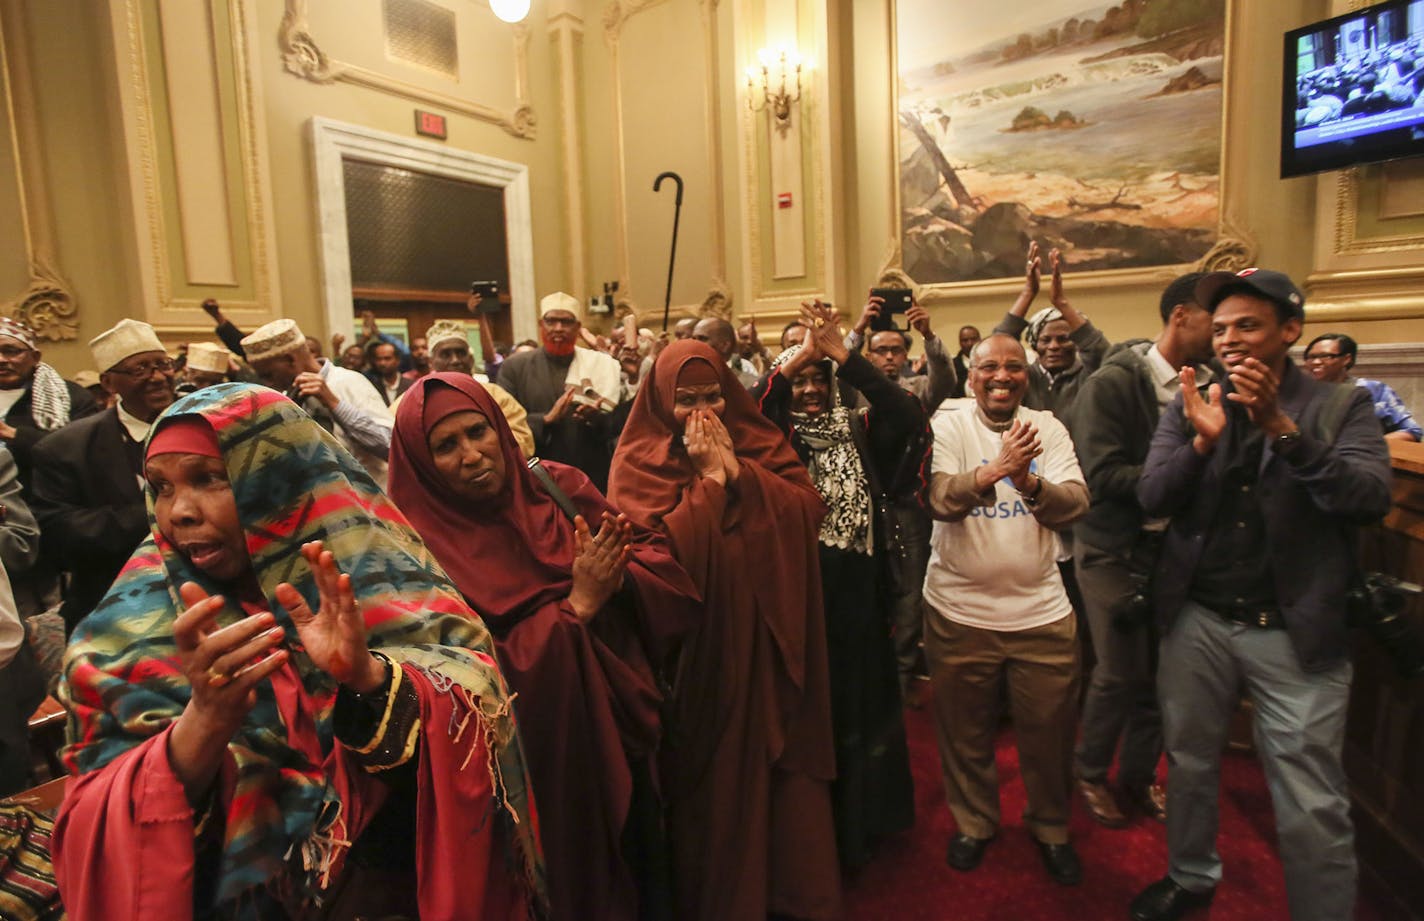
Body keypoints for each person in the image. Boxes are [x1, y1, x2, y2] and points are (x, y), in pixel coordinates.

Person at [52, 383, 545, 921]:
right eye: (161, 488)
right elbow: (95, 830)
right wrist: (205, 724)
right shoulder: (123, 637)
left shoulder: (376, 579)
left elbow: (470, 743)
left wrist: (370, 681)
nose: (180, 512)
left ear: (279, 479)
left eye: (208, 479)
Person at [1130, 269, 1392, 921]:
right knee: (1188, 764)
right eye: (1219, 329)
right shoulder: (1192, 398)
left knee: (1311, 802)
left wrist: (1282, 429)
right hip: (1198, 621)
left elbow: (1367, 499)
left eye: (1247, 324)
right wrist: (1200, 442)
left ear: (1290, 330)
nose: (1230, 340)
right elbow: (1151, 495)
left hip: (1295, 631)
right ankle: (1190, 876)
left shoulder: (1340, 405)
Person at [389, 373, 700, 921]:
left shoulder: (557, 487)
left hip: (620, 725)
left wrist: (618, 578)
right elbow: (451, 681)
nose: (472, 454)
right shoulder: (414, 553)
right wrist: (575, 608)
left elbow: (658, 565)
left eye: (478, 432)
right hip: (531, 773)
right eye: (446, 446)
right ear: (419, 461)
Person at [608, 340, 841, 921]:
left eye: (712, 395)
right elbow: (646, 562)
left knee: (783, 779)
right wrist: (710, 486)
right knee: (712, 786)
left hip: (770, 639)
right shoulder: (638, 460)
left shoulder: (757, 438)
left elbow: (808, 508)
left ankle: (792, 896)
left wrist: (740, 475)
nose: (703, 412)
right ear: (661, 402)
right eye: (685, 401)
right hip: (697, 654)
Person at [753, 301, 920, 869]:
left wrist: (844, 357)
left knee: (864, 711)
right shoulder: (772, 441)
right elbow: (748, 403)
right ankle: (820, 837)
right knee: (816, 719)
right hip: (801, 606)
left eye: (817, 380)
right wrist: (801, 353)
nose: (808, 391)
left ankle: (868, 824)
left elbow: (907, 414)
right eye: (798, 382)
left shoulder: (858, 427)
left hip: (861, 601)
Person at [923, 332, 1090, 887]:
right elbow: (941, 498)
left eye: (1013, 367)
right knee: (964, 730)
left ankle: (1050, 828)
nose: (1001, 376)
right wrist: (995, 471)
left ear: (1028, 374)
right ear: (971, 377)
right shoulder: (948, 424)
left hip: (1040, 612)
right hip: (957, 610)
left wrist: (1029, 480)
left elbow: (1075, 504)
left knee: (1050, 731)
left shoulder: (1049, 427)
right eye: (989, 367)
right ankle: (974, 822)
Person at [1069, 272, 1216, 829]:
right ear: (1180, 315)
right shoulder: (1113, 383)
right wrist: (1185, 470)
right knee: (1119, 671)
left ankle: (1136, 776)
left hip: (1173, 551)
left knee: (1164, 677)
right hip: (1111, 549)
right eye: (1213, 316)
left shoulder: (1212, 381)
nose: (1222, 328)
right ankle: (1088, 772)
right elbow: (1101, 474)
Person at [33, 319, 177, 632]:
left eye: (163, 364)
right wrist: (161, 514)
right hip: (110, 608)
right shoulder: (65, 448)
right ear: (109, 383)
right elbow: (60, 532)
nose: (158, 377)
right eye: (141, 369)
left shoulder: (207, 424)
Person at [241, 319, 394, 489]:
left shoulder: (349, 381)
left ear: (290, 359)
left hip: (372, 501)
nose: (268, 384)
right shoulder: (286, 397)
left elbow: (391, 446)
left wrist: (334, 404)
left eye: (269, 375)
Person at [498, 293, 623, 492]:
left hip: (591, 475)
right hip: (537, 477)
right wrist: (545, 420)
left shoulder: (599, 365)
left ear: (577, 327)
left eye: (566, 322)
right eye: (551, 321)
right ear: (541, 324)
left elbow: (619, 424)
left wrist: (596, 418)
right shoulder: (514, 367)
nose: (558, 328)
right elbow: (502, 424)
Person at [995, 242, 1109, 418]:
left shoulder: (1090, 375)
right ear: (1034, 344)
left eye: (1064, 339)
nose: (1054, 347)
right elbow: (998, 346)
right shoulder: (1025, 378)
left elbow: (1099, 351)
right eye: (1045, 340)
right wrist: (1028, 293)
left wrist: (1061, 302)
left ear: (1077, 342)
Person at [401, 319, 535, 457]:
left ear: (471, 359)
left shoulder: (495, 395)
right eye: (446, 354)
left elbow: (523, 442)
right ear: (431, 361)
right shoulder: (411, 402)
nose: (455, 360)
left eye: (460, 353)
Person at [0, 317, 99, 489]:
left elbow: (85, 456)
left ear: (35, 357)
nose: (1, 359)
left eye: (11, 351)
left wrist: (15, 435)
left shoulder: (72, 396)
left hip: (45, 505)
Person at [1303, 332, 1422, 441]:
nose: (1316, 362)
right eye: (1311, 357)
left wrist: (1371, 445)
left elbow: (1412, 431)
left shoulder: (1374, 390)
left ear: (1346, 359)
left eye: (1326, 356)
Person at [692, 317, 759, 389]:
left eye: (702, 339)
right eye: (693, 339)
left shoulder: (750, 383)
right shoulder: (688, 379)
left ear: (724, 345)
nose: (695, 344)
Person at [365, 340, 412, 407]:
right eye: (379, 359)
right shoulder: (371, 387)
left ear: (397, 360)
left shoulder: (411, 386)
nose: (382, 363)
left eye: (387, 358)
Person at [951, 325, 981, 398]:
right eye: (965, 340)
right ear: (960, 343)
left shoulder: (990, 364)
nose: (970, 343)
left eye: (973, 339)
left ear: (980, 340)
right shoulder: (951, 366)